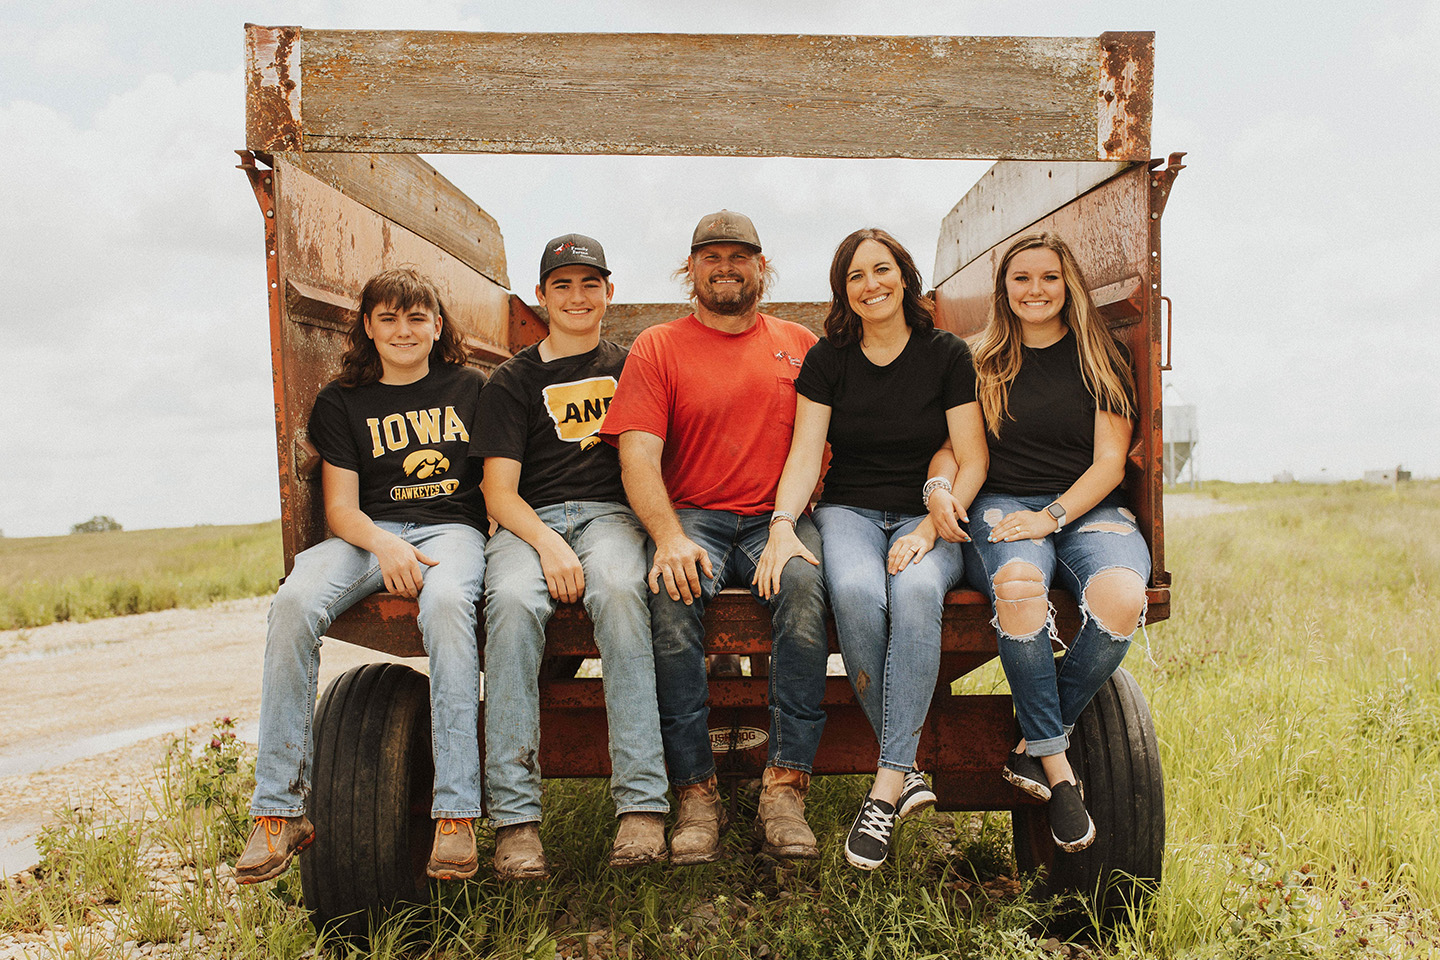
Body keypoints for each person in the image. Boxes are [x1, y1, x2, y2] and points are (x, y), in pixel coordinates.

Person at [238, 267, 488, 883]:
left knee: (450, 604)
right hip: (366, 534)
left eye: (416, 317)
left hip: (451, 529)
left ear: (437, 325)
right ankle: (279, 809)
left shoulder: (472, 389)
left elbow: (494, 484)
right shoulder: (341, 401)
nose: (403, 330)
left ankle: (455, 813)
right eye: (388, 318)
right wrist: (385, 546)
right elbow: (341, 509)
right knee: (294, 602)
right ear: (368, 329)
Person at [601, 210, 830, 864]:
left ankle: (784, 788)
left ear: (762, 266)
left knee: (808, 587)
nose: (725, 268)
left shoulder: (799, 344)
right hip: (693, 514)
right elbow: (638, 458)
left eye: (739, 256)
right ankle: (697, 793)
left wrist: (790, 520)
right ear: (691, 268)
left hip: (774, 516)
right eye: (711, 257)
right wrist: (668, 537)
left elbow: (817, 446)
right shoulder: (658, 347)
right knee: (669, 598)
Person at [755, 228, 987, 870]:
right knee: (855, 592)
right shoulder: (829, 360)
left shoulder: (946, 354)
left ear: (905, 277)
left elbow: (972, 458)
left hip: (927, 515)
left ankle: (885, 789)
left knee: (914, 593)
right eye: (856, 276)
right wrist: (782, 520)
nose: (871, 285)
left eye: (882, 270)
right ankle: (906, 768)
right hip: (849, 510)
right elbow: (807, 454)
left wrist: (929, 529)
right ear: (843, 292)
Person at [936, 231, 1149, 853]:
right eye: (1021, 278)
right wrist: (941, 488)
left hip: (1085, 506)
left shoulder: (1100, 358)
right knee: (1020, 586)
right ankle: (1057, 769)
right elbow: (953, 448)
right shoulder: (979, 361)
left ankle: (1032, 743)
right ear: (1004, 290)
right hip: (999, 504)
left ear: (1068, 285)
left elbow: (1110, 464)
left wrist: (1051, 516)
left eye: (1048, 278)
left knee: (1120, 598)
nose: (1035, 290)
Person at [475, 234, 670, 879]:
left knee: (619, 591)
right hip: (529, 524)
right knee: (507, 604)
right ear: (540, 297)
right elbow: (498, 493)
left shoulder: (633, 366)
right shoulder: (513, 381)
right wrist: (550, 544)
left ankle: (641, 807)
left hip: (613, 517)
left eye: (591, 284)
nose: (578, 296)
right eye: (563, 285)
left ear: (610, 293)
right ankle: (516, 821)